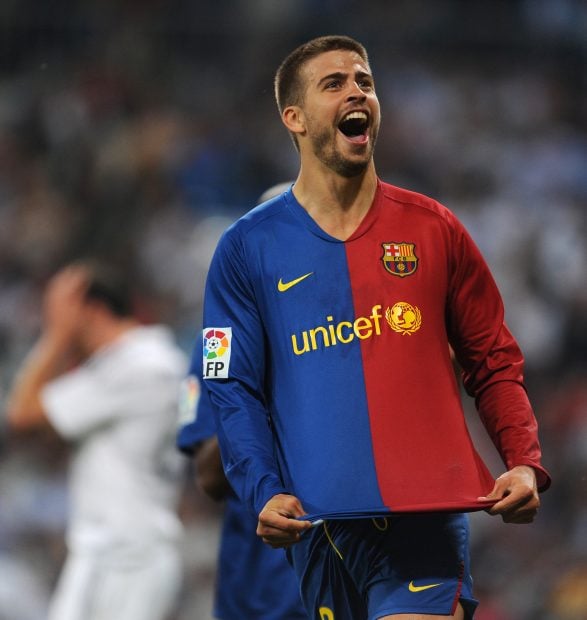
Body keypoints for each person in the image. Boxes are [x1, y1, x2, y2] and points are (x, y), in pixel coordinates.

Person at [200, 35, 551, 620]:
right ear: (295, 118)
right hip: (318, 526)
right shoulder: (245, 250)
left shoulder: (435, 230)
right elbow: (228, 384)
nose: (356, 92)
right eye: (333, 84)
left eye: (363, 81)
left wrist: (523, 458)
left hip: (424, 518)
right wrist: (263, 489)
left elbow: (492, 359)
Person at [6, 260, 187, 620]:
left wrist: (56, 336)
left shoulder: (138, 364)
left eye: (56, 309)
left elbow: (21, 413)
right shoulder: (131, 361)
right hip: (106, 551)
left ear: (89, 307)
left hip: (130, 559)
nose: (49, 319)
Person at [177, 183, 307, 619]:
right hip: (258, 590)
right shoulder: (215, 343)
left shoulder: (348, 332)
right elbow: (210, 478)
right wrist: (261, 389)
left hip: (345, 570)